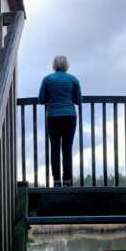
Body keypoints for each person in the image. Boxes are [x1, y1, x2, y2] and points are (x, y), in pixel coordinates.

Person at [38, 55, 82, 187]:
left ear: (54, 65)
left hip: (53, 117)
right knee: (67, 149)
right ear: (66, 65)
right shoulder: (73, 79)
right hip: (69, 116)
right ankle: (67, 181)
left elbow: (41, 100)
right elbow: (79, 101)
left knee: (55, 148)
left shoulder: (47, 79)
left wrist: (51, 98)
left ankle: (56, 181)